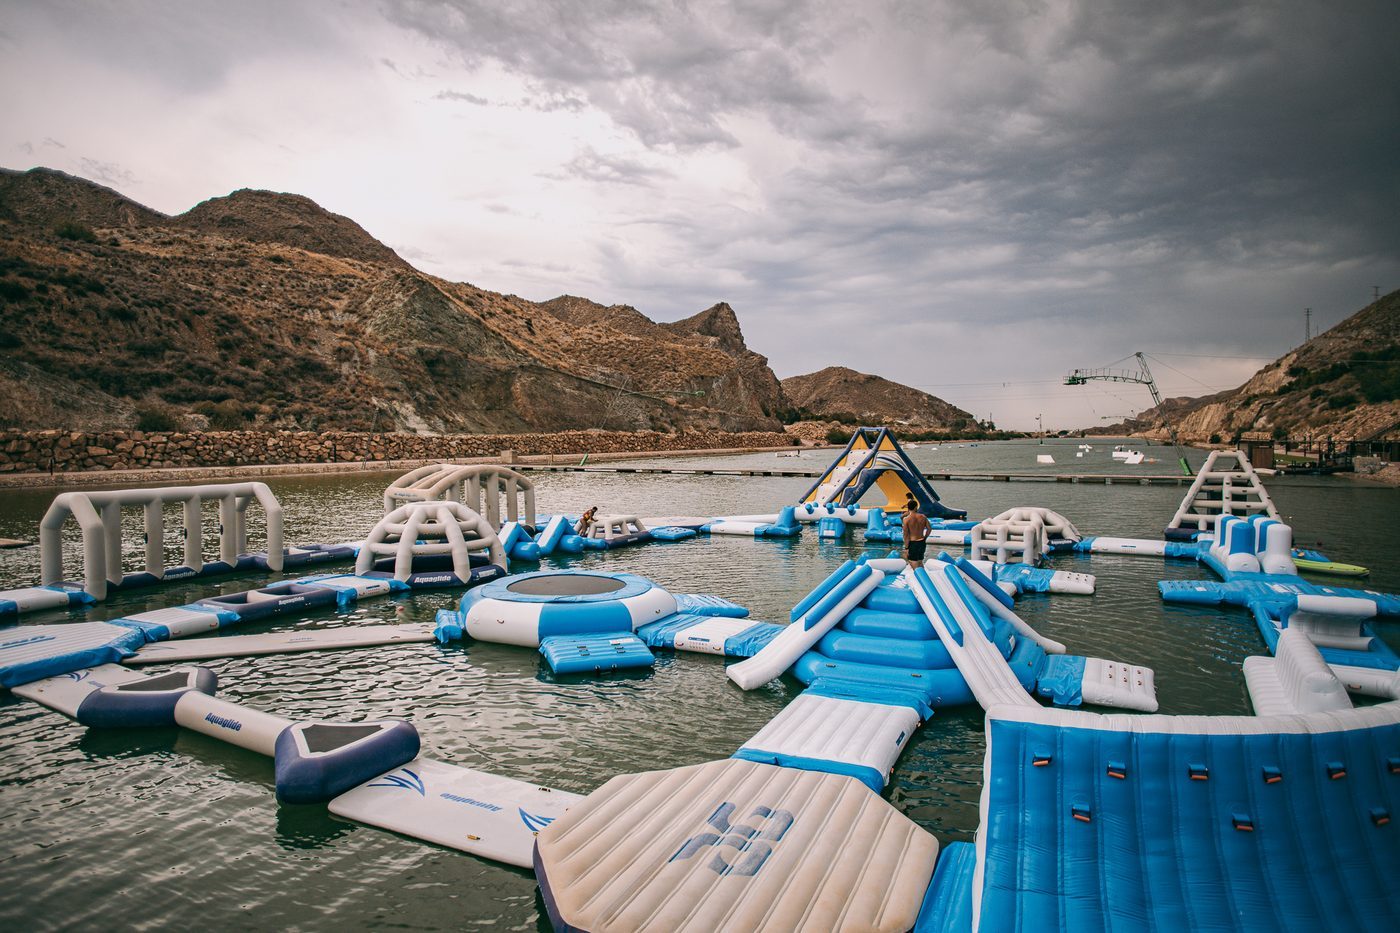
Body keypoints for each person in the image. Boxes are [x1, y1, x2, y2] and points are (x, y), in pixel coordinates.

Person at [902, 502, 931, 570]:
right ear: (916, 507)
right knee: (920, 561)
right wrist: (925, 537)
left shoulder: (906, 519)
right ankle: (923, 577)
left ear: (908, 508)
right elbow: (929, 529)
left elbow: (905, 535)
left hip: (913, 543)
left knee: (912, 561)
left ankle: (918, 576)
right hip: (922, 541)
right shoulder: (923, 517)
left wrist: (906, 548)